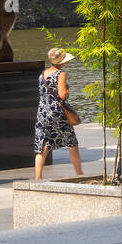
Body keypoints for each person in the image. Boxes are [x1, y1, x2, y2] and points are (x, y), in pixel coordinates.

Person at [34, 47, 83, 180]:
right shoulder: (61, 74)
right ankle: (79, 173)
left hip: (43, 112)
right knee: (72, 142)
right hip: (57, 112)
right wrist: (67, 90)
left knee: (43, 144)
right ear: (62, 61)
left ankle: (38, 177)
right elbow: (62, 95)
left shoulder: (43, 74)